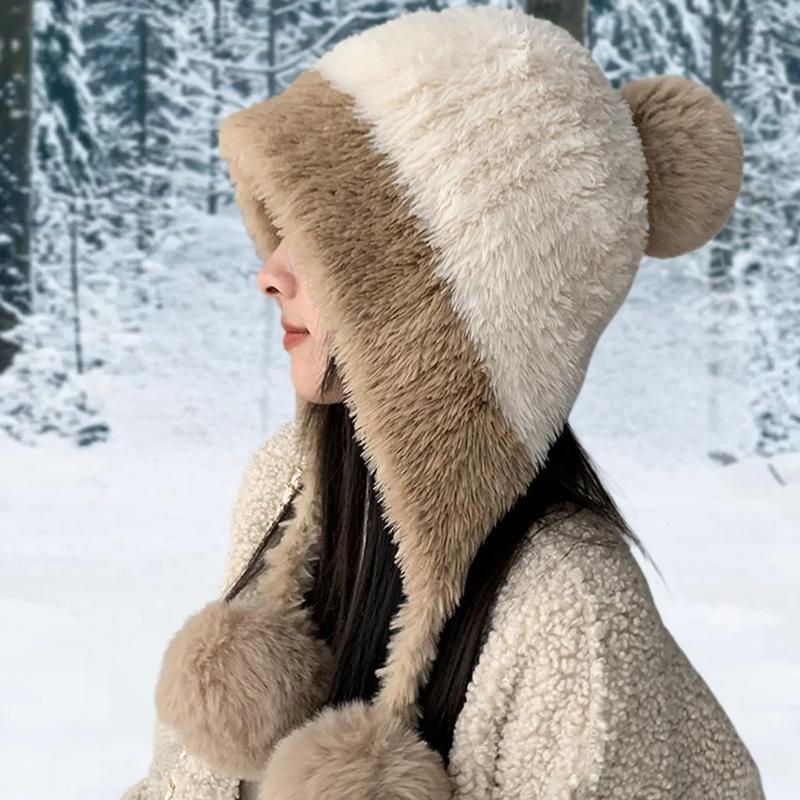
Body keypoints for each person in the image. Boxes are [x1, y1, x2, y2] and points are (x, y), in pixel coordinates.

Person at [122, 6, 765, 800]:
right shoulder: (287, 483)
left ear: (437, 308)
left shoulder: (572, 612)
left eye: (326, 239)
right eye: (282, 222)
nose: (270, 273)